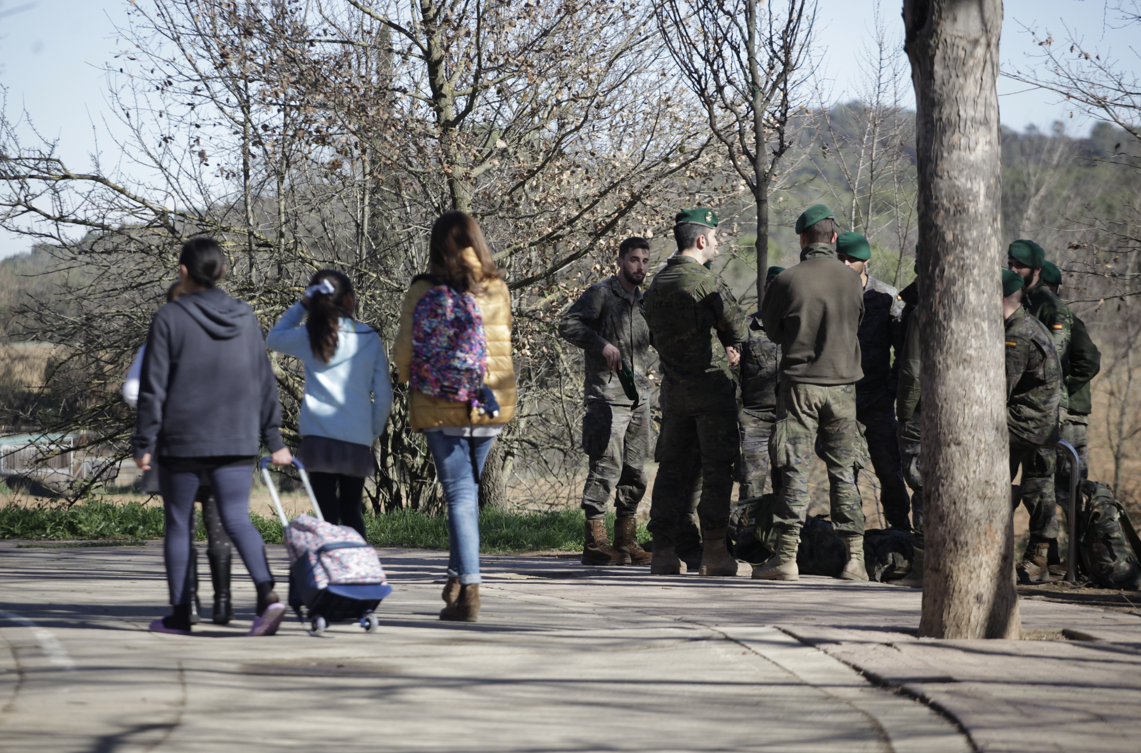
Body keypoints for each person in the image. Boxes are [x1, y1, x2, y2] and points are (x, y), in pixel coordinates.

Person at [133, 237, 292, 636]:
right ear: (221, 272)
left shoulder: (168, 318)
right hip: (237, 440)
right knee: (238, 518)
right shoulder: (245, 316)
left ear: (184, 272)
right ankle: (267, 596)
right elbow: (263, 382)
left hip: (182, 441)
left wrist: (143, 443)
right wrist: (274, 439)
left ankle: (181, 615)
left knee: (178, 524)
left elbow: (153, 388)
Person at [394, 211, 516, 622]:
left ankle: (471, 592)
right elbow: (503, 346)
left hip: (442, 405)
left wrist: (418, 379)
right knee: (467, 499)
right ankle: (456, 578)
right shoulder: (496, 288)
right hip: (489, 404)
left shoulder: (423, 290)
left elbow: (402, 356)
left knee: (460, 498)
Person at [756, 204, 869, 582]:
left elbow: (770, 330)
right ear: (834, 238)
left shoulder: (787, 280)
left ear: (803, 239)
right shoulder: (853, 279)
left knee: (794, 470)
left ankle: (785, 558)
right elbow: (858, 323)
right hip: (842, 386)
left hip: (800, 387)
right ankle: (855, 559)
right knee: (844, 472)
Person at [642, 208, 748, 576]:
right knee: (717, 470)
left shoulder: (656, 284)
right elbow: (737, 328)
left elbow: (653, 337)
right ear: (701, 240)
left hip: (674, 391)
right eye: (716, 238)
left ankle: (663, 552)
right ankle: (715, 552)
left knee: (672, 470)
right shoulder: (705, 282)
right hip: (711, 391)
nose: (718, 245)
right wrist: (730, 345)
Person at [124, 282, 237, 625]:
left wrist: (159, 409)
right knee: (218, 525)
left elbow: (131, 390)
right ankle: (223, 602)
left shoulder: (156, 342)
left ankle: (188, 604)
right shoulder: (222, 340)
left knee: (180, 526)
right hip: (221, 442)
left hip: (175, 445)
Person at [267, 270, 392, 540]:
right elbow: (383, 394)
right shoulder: (368, 337)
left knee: (326, 515)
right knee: (351, 512)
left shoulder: (310, 335)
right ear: (349, 299)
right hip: (356, 440)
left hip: (318, 440)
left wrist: (302, 305)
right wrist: (370, 432)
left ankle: (330, 575)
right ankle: (356, 573)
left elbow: (274, 338)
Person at [558, 237, 653, 566]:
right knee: (605, 468)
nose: (640, 266)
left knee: (636, 471)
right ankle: (595, 544)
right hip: (606, 396)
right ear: (620, 261)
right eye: (633, 260)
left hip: (639, 396)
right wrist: (600, 344)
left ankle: (627, 541)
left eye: (644, 260)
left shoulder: (646, 301)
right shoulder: (601, 294)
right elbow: (567, 324)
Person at [836, 232, 911, 531]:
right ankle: (849, 536)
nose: (845, 263)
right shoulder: (831, 292)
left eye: (851, 259)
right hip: (841, 399)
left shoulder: (887, 296)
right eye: (840, 257)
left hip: (877, 398)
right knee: (844, 472)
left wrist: (891, 390)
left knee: (889, 470)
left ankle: (900, 532)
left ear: (865, 261)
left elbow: (903, 351)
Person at [1007, 241, 1071, 579]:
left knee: (1039, 487)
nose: (1014, 269)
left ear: (1036, 269)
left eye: (1020, 265)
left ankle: (1044, 557)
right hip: (1019, 407)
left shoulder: (1050, 307)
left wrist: (1062, 398)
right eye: (1010, 263)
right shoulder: (1018, 301)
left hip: (1038, 411)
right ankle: (1044, 558)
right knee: (1030, 487)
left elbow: (1057, 360)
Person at [1040, 260, 1101, 569]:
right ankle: (1049, 556)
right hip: (1052, 415)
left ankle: (1085, 559)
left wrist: (1062, 385)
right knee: (1043, 487)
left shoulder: (1069, 322)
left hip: (1071, 416)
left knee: (1070, 490)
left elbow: (1089, 361)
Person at [894, 265, 924, 588]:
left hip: (922, 412)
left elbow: (912, 370)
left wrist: (903, 413)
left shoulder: (922, 314)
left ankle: (923, 567)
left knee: (921, 483)